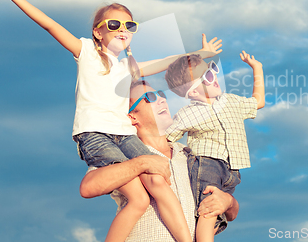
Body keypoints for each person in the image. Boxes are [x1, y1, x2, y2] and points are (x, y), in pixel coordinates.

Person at [0, 0, 222, 242]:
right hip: (95, 134)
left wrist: (201, 55)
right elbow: (50, 25)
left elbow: (167, 61)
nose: (122, 29)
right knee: (138, 198)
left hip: (124, 134)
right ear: (98, 31)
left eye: (129, 25)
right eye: (114, 24)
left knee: (158, 178)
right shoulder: (86, 52)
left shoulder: (128, 68)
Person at [80, 79, 239, 241]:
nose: (162, 99)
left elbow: (231, 213)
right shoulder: (123, 155)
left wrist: (228, 202)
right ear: (132, 117)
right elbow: (88, 187)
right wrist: (141, 163)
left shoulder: (191, 157)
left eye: (161, 94)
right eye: (150, 97)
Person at [164, 52, 264, 242]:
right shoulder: (188, 114)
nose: (215, 77)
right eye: (207, 77)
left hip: (232, 170)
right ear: (193, 92)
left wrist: (257, 68)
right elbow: (166, 138)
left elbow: (258, 102)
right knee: (207, 213)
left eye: (213, 70)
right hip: (207, 164)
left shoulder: (231, 102)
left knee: (216, 214)